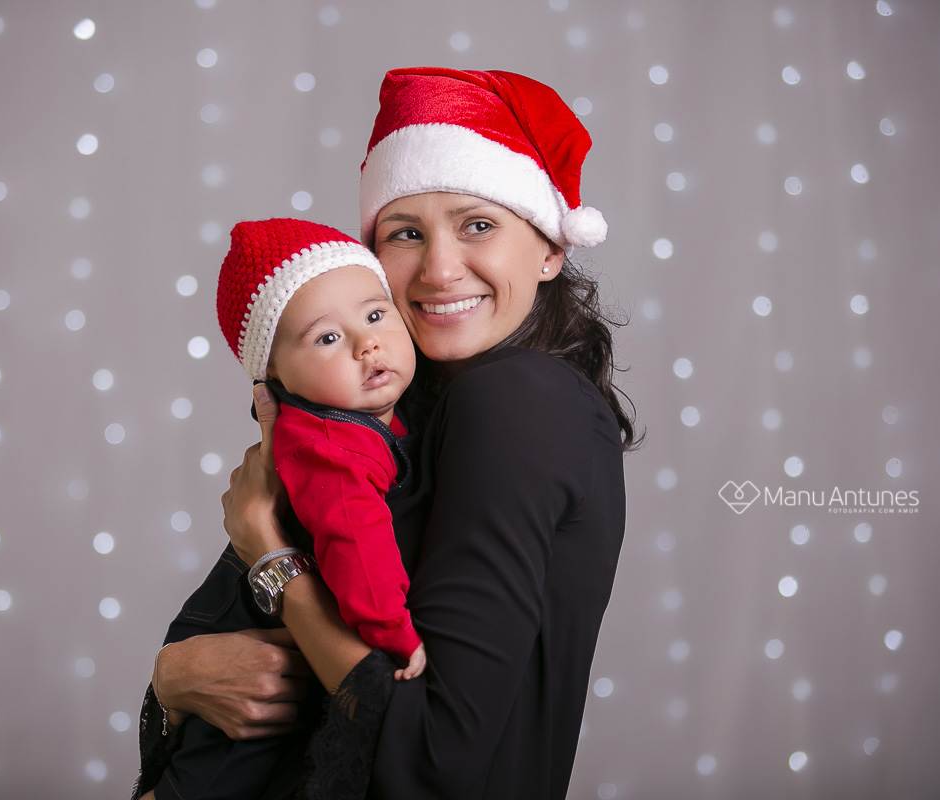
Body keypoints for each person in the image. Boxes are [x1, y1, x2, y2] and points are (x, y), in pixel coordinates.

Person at [150, 67, 636, 799]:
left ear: (549, 248)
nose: (440, 269)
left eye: (478, 224)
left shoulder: (513, 399)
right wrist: (174, 679)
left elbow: (432, 759)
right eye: (406, 233)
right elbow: (236, 681)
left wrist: (272, 558)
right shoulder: (388, 407)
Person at [136, 220, 427, 800]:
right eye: (326, 339)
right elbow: (356, 544)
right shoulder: (330, 448)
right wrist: (394, 633)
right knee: (221, 768)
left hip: (260, 612)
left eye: (375, 317)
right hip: (244, 628)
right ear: (271, 380)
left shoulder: (370, 412)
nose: (365, 345)